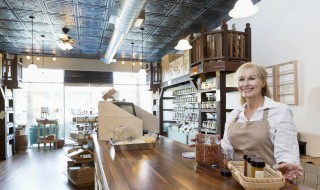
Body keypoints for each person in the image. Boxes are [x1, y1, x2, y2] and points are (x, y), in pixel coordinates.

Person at [219, 62, 302, 180]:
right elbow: (226, 148)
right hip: (237, 179)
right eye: (241, 79)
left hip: (268, 181)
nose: (246, 84)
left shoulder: (281, 111)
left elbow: (287, 150)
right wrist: (206, 144)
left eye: (252, 78)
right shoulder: (235, 114)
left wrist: (285, 165)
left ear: (263, 82)